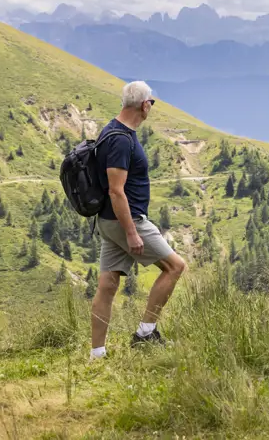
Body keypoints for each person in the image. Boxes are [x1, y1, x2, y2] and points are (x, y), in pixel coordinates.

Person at [90, 81, 187, 359]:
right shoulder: (121, 140)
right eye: (151, 103)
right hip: (126, 220)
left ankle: (97, 353)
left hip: (108, 221)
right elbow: (116, 190)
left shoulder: (112, 130)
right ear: (145, 105)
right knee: (175, 267)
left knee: (108, 285)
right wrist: (132, 232)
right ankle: (145, 334)